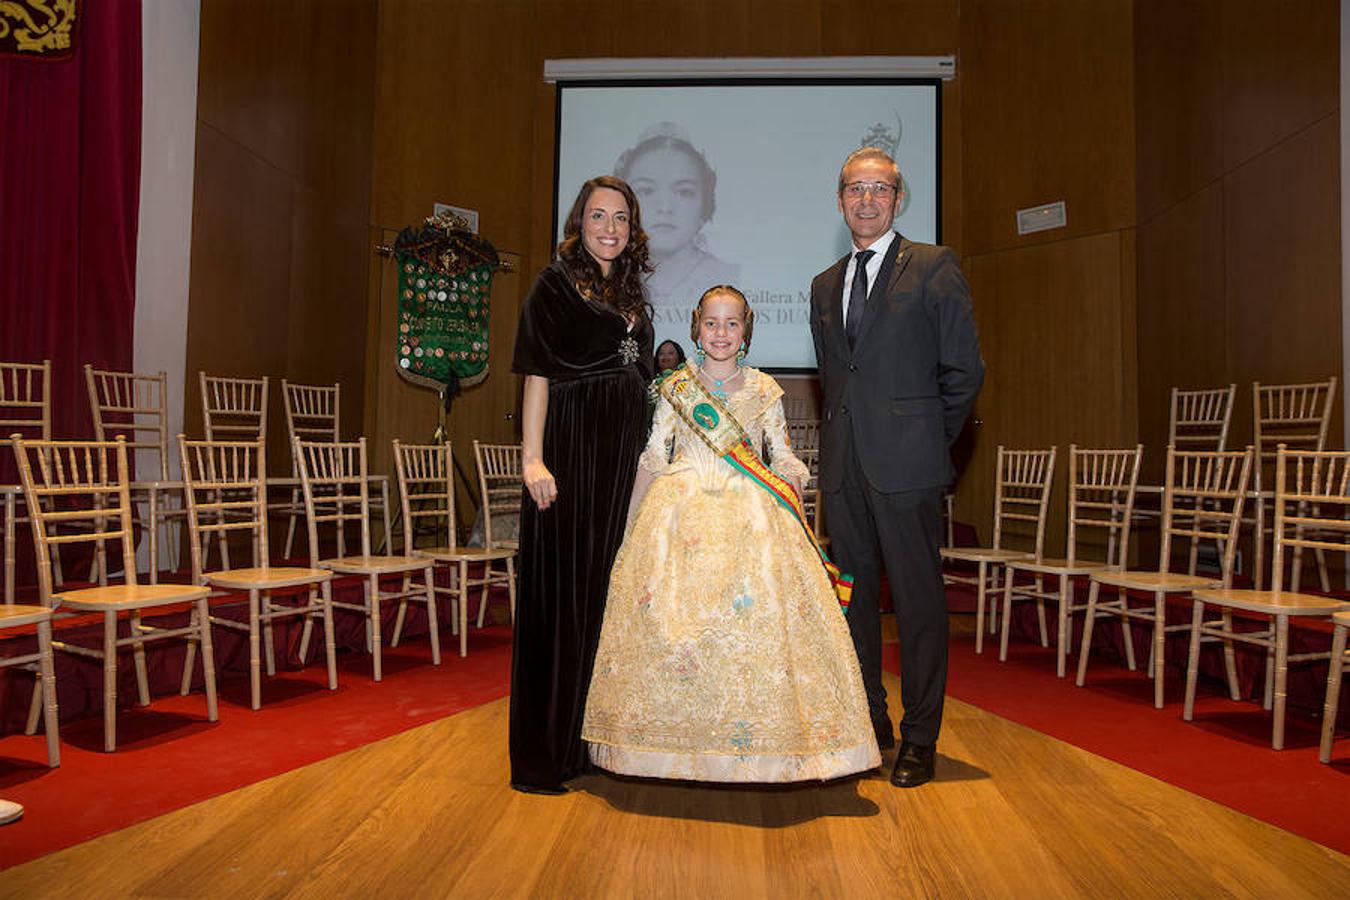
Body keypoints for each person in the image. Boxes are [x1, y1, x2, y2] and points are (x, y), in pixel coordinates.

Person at [582, 285, 879, 783]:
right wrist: (630, 525)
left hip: (750, 512)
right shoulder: (676, 387)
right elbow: (656, 455)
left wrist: (791, 476)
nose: (721, 333)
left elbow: (781, 454)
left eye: (732, 324)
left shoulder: (764, 389)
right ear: (697, 327)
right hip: (678, 511)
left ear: (747, 330)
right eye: (712, 323)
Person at [809, 147, 984, 789]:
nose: (866, 199)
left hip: (908, 470)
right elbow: (836, 379)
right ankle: (871, 722)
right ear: (839, 200)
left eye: (878, 188)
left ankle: (919, 739)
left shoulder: (935, 266)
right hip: (845, 471)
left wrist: (924, 446)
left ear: (898, 197)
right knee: (853, 605)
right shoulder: (824, 284)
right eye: (854, 188)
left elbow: (964, 373)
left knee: (917, 606)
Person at [509, 175, 655, 794]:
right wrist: (532, 459)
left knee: (603, 598)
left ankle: (588, 743)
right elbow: (537, 375)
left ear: (632, 227)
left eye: (620, 218)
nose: (609, 228)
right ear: (579, 221)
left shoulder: (630, 289)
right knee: (559, 599)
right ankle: (545, 754)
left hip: (621, 462)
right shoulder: (553, 284)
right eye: (598, 216)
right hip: (569, 454)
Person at [614, 125, 739, 324]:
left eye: (684, 192)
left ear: (705, 203)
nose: (664, 208)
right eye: (646, 191)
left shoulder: (732, 279)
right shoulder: (608, 282)